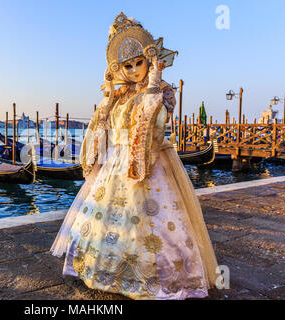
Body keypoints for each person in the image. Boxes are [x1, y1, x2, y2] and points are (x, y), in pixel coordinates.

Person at [51, 12, 218, 300]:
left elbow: (155, 121)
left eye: (139, 62)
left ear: (150, 60)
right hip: (115, 165)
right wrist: (108, 96)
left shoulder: (160, 91)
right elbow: (102, 126)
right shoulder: (118, 96)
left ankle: (158, 278)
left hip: (149, 163)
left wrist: (154, 83)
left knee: (154, 227)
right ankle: (100, 270)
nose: (134, 69)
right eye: (127, 65)